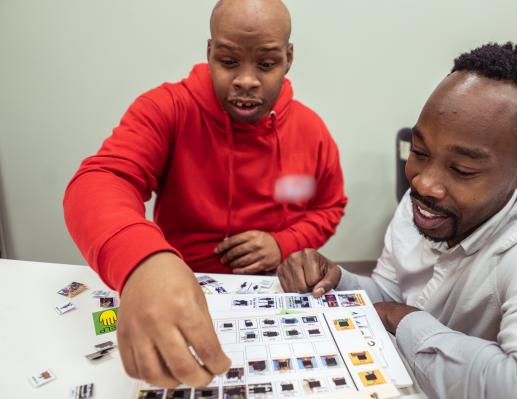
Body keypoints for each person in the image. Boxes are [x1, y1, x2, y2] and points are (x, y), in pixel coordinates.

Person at [278, 42, 517, 398]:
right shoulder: (422, 202)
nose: (424, 183)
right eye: (420, 153)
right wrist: (338, 278)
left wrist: (405, 321)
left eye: (462, 169)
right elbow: (392, 291)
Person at [63, 0, 347, 388]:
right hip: (174, 286)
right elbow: (101, 180)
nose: (246, 80)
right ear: (209, 52)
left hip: (274, 293)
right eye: (229, 61)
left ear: (288, 58)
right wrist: (143, 262)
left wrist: (284, 243)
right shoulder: (167, 109)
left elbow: (328, 206)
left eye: (265, 64)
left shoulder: (311, 132)